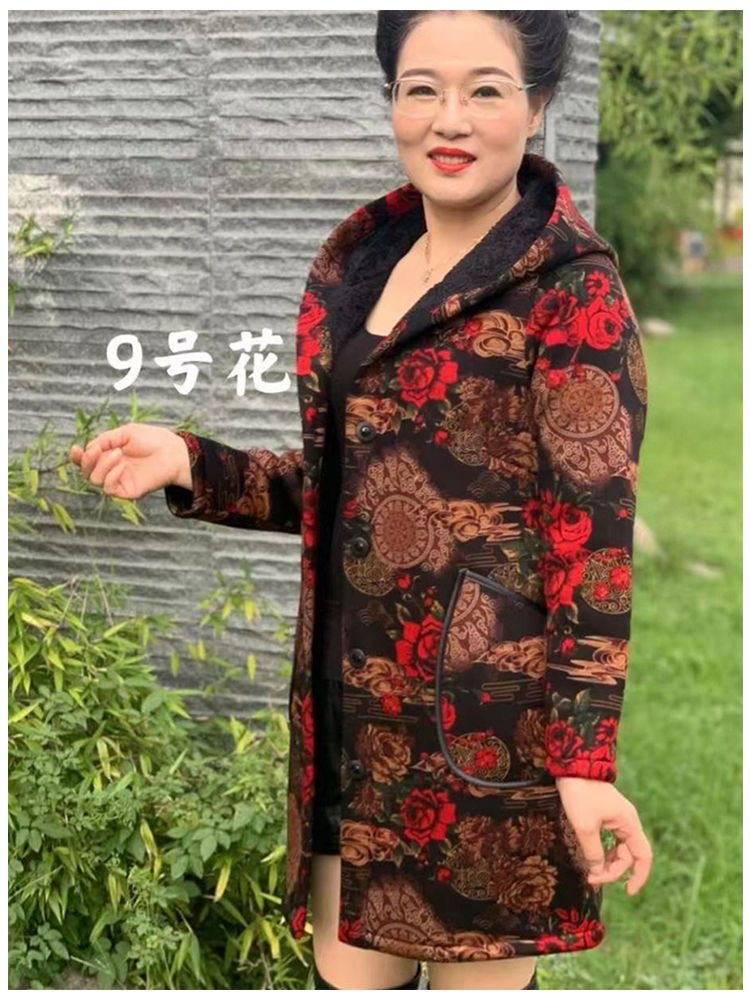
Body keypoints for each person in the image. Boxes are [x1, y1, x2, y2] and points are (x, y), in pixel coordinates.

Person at [70, 10, 653, 990]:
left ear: (538, 106)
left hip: (486, 731)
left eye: (485, 89)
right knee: (345, 977)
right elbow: (360, 493)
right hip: (354, 721)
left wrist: (584, 761)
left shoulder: (572, 294)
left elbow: (591, 544)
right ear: (392, 101)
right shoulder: (369, 265)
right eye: (421, 89)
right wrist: (192, 462)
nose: (449, 118)